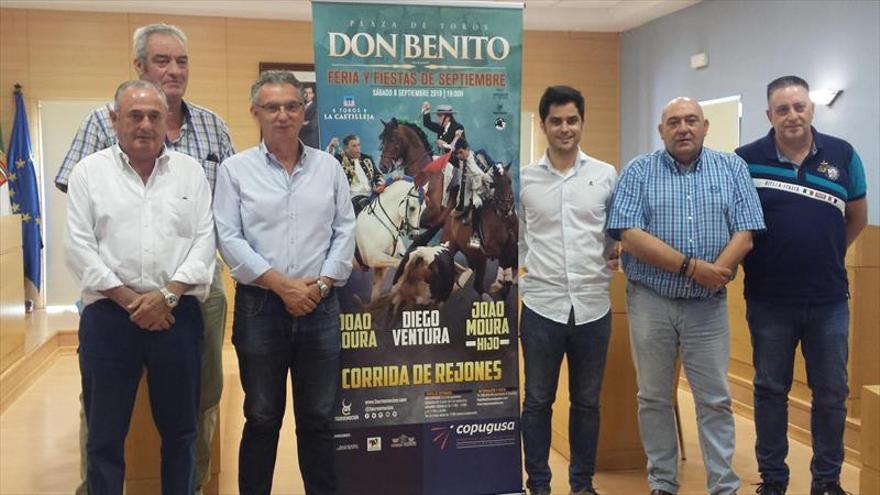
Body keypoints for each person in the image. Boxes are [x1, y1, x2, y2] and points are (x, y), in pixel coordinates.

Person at [53, 23, 233, 494]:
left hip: (184, 305)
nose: (146, 124)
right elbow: (79, 242)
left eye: (182, 61)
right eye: (135, 115)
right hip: (110, 309)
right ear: (116, 119)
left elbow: (206, 234)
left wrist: (168, 297)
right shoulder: (93, 162)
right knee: (104, 428)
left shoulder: (201, 149)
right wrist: (131, 298)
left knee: (189, 419)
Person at [607, 97, 765, 495]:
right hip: (651, 303)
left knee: (715, 399)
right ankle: (662, 482)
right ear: (661, 131)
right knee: (654, 397)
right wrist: (694, 268)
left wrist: (717, 275)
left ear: (705, 125)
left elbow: (746, 232)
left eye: (691, 120)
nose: (683, 128)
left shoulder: (732, 167)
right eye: (673, 122)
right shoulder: (639, 171)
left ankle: (723, 485)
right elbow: (628, 232)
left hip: (708, 309)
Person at [213, 70, 356, 495]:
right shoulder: (235, 171)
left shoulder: (329, 168)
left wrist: (323, 285)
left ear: (303, 111)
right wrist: (282, 285)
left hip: (321, 306)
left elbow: (344, 230)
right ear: (255, 112)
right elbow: (228, 237)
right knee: (261, 418)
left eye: (291, 106)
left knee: (319, 420)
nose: (282, 115)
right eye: (272, 107)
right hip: (260, 309)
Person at [735, 76, 868, 495]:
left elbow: (857, 218)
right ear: (768, 115)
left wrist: (824, 252)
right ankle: (773, 480)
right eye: (782, 109)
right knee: (770, 391)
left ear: (811, 108)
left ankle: (826, 482)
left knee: (832, 394)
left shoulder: (843, 154)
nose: (792, 116)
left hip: (829, 300)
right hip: (768, 300)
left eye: (799, 107)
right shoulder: (744, 159)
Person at [519, 85, 619, 495]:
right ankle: (538, 485)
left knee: (587, 404)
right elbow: (519, 239)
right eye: (556, 121)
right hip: (542, 307)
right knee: (538, 402)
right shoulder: (522, 179)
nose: (565, 128)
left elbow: (616, 235)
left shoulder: (605, 174)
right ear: (543, 125)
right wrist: (527, 279)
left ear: (582, 122)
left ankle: (582, 484)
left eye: (572, 120)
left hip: (593, 308)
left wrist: (618, 251)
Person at [334, 134, 385, 215]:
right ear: (346, 149)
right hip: (352, 199)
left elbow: (378, 175)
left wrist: (379, 184)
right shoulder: (339, 159)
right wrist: (331, 146)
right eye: (354, 146)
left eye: (358, 145)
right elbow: (328, 161)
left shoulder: (367, 159)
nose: (358, 148)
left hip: (371, 196)